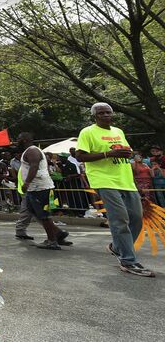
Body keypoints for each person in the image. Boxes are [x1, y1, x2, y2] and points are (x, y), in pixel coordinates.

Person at [75, 103, 153, 277]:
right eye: (101, 113)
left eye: (108, 112)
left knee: (136, 219)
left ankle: (117, 247)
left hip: (126, 181)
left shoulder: (118, 132)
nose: (105, 115)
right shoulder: (88, 132)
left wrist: (136, 184)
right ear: (94, 116)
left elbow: (126, 155)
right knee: (120, 220)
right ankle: (128, 261)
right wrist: (108, 154)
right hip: (104, 180)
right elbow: (80, 156)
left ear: (113, 114)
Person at [17, 132, 72, 250]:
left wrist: (26, 183)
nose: (17, 141)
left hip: (39, 188)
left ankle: (52, 241)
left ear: (25, 140)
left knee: (43, 215)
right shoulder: (31, 151)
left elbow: (34, 166)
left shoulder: (32, 151)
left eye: (19, 139)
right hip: (36, 188)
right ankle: (58, 233)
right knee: (34, 211)